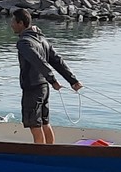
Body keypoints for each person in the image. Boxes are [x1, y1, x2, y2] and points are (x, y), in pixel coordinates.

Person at [12, 7, 82, 145]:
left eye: (13, 21)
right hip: (43, 88)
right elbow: (57, 61)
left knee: (34, 124)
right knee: (44, 122)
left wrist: (53, 80)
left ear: (21, 23)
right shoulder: (42, 39)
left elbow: (38, 61)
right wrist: (73, 81)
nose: (11, 24)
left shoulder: (24, 42)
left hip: (32, 88)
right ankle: (50, 151)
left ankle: (40, 156)